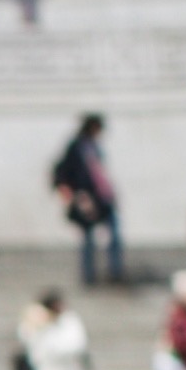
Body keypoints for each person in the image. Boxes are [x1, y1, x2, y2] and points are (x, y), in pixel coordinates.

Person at [51, 115, 123, 288]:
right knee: (89, 239)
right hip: (86, 199)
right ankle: (90, 275)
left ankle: (113, 271)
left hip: (101, 199)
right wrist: (76, 195)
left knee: (111, 234)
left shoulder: (93, 147)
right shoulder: (77, 147)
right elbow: (64, 174)